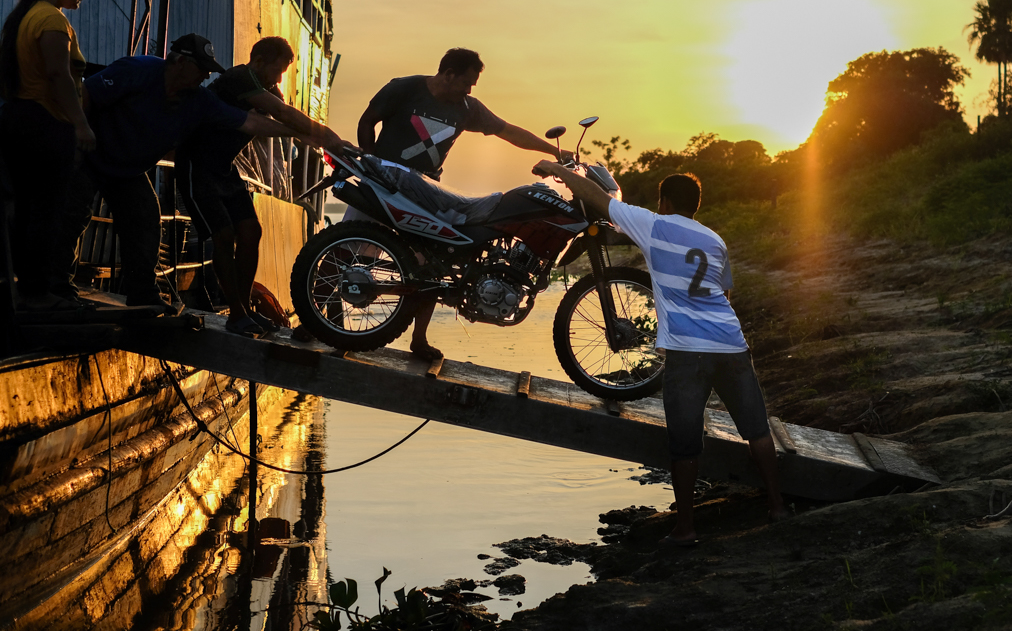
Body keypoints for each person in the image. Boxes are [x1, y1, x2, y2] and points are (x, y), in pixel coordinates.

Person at [531, 163, 787, 544]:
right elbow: (725, 294)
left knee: (684, 444)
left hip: (687, 352)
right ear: (696, 205)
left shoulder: (653, 225)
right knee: (757, 430)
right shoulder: (716, 240)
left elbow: (595, 196)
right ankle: (779, 507)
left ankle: (686, 529)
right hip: (732, 343)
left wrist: (554, 168)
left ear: (664, 202)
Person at [72, 34, 325, 313]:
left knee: (146, 220)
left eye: (209, 70)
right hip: (90, 155)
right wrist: (81, 131)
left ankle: (142, 293)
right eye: (201, 68)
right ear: (180, 61)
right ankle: (56, 288)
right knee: (70, 215)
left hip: (128, 169)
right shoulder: (139, 70)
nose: (205, 76)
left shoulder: (200, 100)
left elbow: (250, 122)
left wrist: (301, 134)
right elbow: (86, 92)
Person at [354, 47, 562, 361]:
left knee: (432, 265)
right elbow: (366, 122)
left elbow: (508, 131)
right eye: (466, 82)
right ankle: (316, 324)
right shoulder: (405, 88)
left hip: (427, 194)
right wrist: (373, 167)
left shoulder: (467, 108)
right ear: (448, 74)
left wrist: (555, 153)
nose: (468, 90)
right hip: (382, 184)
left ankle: (419, 341)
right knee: (345, 251)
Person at [176, 36, 344, 336]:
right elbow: (282, 115)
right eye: (277, 70)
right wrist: (327, 134)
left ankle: (245, 309)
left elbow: (290, 117)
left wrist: (323, 142)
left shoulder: (265, 85)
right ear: (259, 61)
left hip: (224, 170)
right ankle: (237, 312)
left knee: (252, 231)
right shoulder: (240, 77)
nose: (279, 78)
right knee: (224, 236)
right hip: (197, 166)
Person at [0, 0, 95, 310]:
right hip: (45, 124)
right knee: (47, 210)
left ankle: (26, 288)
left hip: (19, 119)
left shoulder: (22, 18)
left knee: (25, 209)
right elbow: (59, 77)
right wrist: (82, 125)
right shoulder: (52, 22)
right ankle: (39, 292)